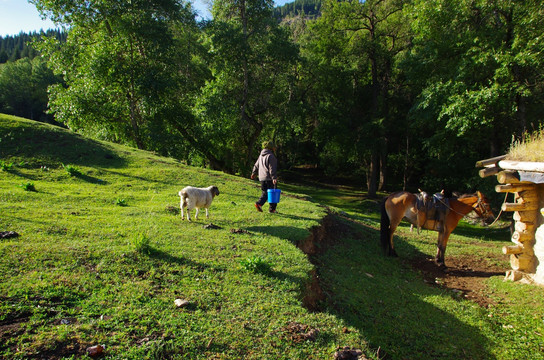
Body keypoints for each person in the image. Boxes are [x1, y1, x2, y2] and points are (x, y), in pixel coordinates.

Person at [251, 141, 278, 213]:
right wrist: (274, 177)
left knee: (265, 192)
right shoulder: (271, 156)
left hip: (261, 177)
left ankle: (270, 208)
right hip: (269, 178)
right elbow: (272, 168)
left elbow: (256, 165)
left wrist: (254, 173)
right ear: (271, 148)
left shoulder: (261, 155)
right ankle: (263, 205)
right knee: (272, 193)